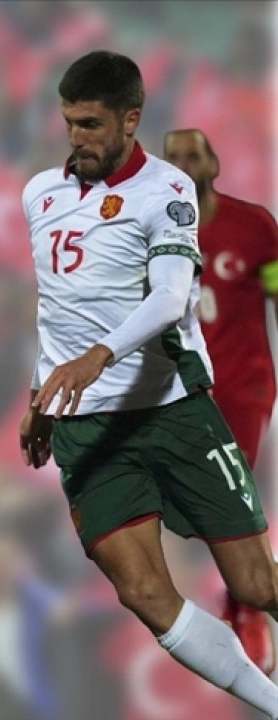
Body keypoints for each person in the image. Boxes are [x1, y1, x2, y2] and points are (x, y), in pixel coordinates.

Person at [20, 50, 278, 717]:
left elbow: (169, 297)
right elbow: (58, 308)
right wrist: (40, 396)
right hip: (86, 429)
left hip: (172, 411)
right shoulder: (40, 194)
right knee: (142, 592)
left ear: (130, 120)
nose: (76, 138)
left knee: (257, 585)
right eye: (69, 123)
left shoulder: (167, 190)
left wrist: (97, 358)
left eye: (91, 124)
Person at [164, 127, 278, 675]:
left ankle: (247, 605)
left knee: (237, 488)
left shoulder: (254, 227)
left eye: (193, 155)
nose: (184, 165)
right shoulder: (149, 230)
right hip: (183, 389)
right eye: (174, 158)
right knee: (201, 498)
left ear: (214, 165)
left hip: (245, 383)